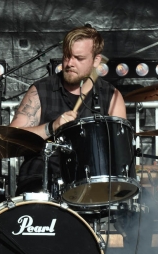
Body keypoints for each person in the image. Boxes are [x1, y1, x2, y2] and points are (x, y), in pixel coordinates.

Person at [9, 25, 127, 195]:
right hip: (41, 182)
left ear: (96, 60)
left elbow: (120, 152)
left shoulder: (111, 96)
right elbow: (12, 138)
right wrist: (51, 127)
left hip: (90, 185)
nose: (70, 63)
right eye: (67, 56)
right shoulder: (41, 90)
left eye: (79, 58)